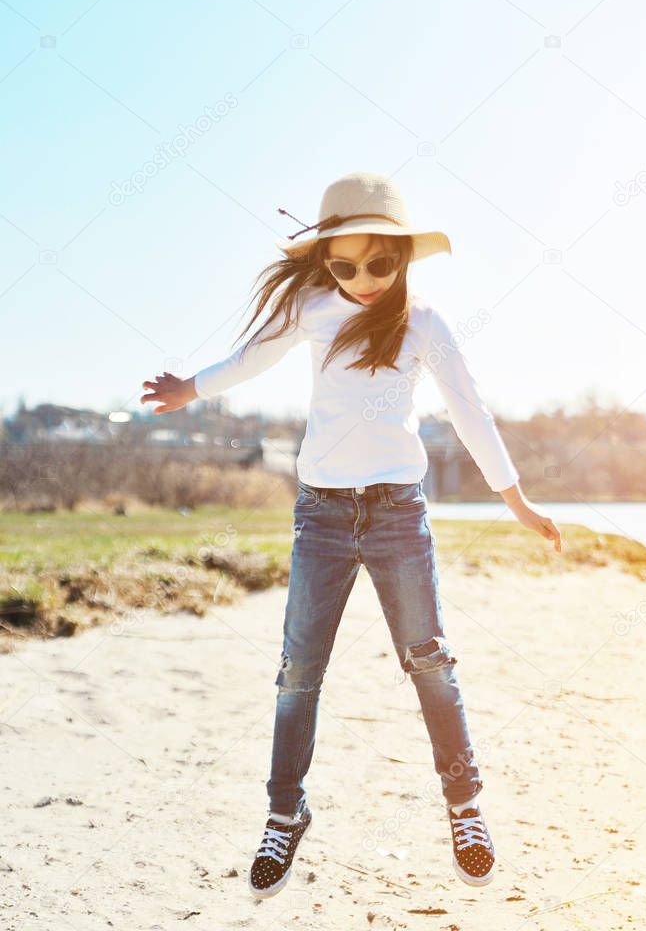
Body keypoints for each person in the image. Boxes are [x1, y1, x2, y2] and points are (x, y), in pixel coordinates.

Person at [141, 171, 561, 898]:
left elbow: (471, 411)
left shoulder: (423, 321)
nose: (362, 279)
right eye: (345, 265)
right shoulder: (309, 307)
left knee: (430, 661)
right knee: (298, 672)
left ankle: (465, 807)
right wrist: (191, 389)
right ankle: (285, 811)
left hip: (398, 513)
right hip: (323, 517)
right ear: (325, 259)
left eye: (379, 263)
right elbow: (249, 361)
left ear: (402, 255)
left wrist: (516, 501)